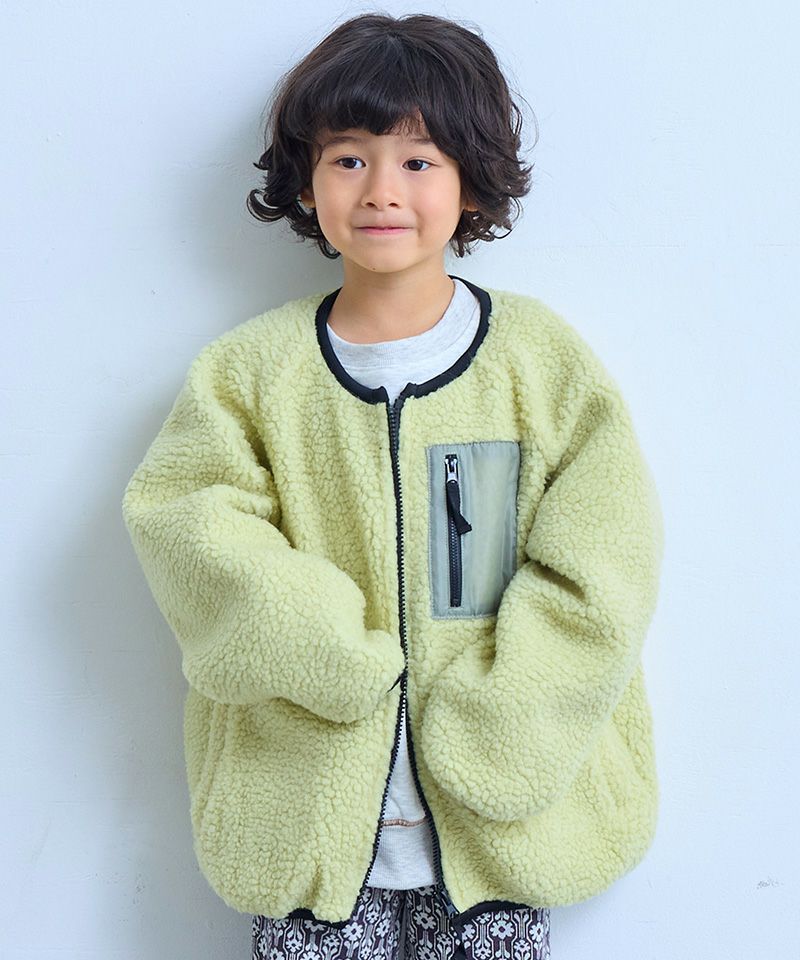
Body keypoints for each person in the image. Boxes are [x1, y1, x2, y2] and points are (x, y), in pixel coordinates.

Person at [121, 12, 664, 960]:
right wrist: (335, 654)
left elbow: (604, 561)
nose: (381, 189)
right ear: (306, 179)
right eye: (348, 158)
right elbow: (187, 523)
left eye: (418, 160)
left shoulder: (539, 364)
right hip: (306, 823)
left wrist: (504, 717)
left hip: (500, 826)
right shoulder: (249, 374)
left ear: (470, 179)